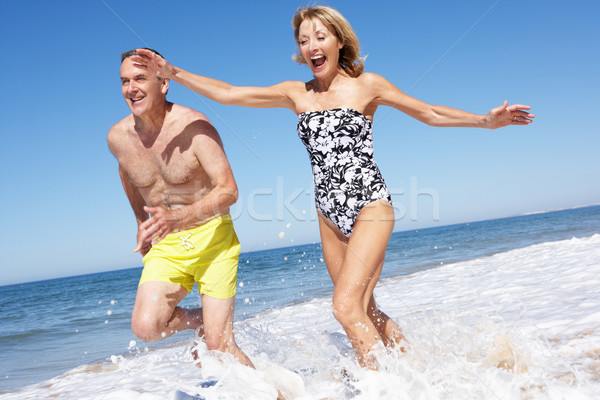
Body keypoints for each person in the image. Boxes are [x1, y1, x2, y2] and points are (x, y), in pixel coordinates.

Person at [131, 6, 534, 369]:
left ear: (340, 41)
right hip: (329, 216)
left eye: (320, 36)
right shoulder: (296, 93)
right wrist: (174, 73)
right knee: (365, 309)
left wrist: (485, 120)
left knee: (344, 308)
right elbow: (232, 94)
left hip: (370, 206)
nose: (312, 46)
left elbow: (427, 112)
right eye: (304, 41)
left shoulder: (367, 85)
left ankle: (381, 391)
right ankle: (417, 372)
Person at [107, 48, 254, 368]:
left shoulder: (195, 128)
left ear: (163, 83)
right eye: (124, 81)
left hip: (213, 237)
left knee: (219, 346)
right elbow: (127, 172)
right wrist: (138, 220)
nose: (131, 88)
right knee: (146, 327)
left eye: (140, 78)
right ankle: (205, 320)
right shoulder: (117, 137)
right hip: (168, 241)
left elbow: (229, 190)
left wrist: (180, 216)